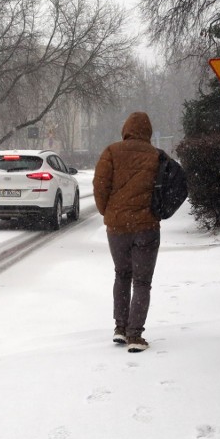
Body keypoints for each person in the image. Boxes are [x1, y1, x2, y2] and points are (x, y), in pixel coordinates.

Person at [93, 111, 161, 353]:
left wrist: (108, 213)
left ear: (126, 129)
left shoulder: (111, 152)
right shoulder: (156, 156)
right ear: (148, 132)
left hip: (117, 228)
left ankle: (120, 328)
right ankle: (135, 335)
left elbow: (100, 186)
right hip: (147, 227)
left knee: (122, 274)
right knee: (142, 281)